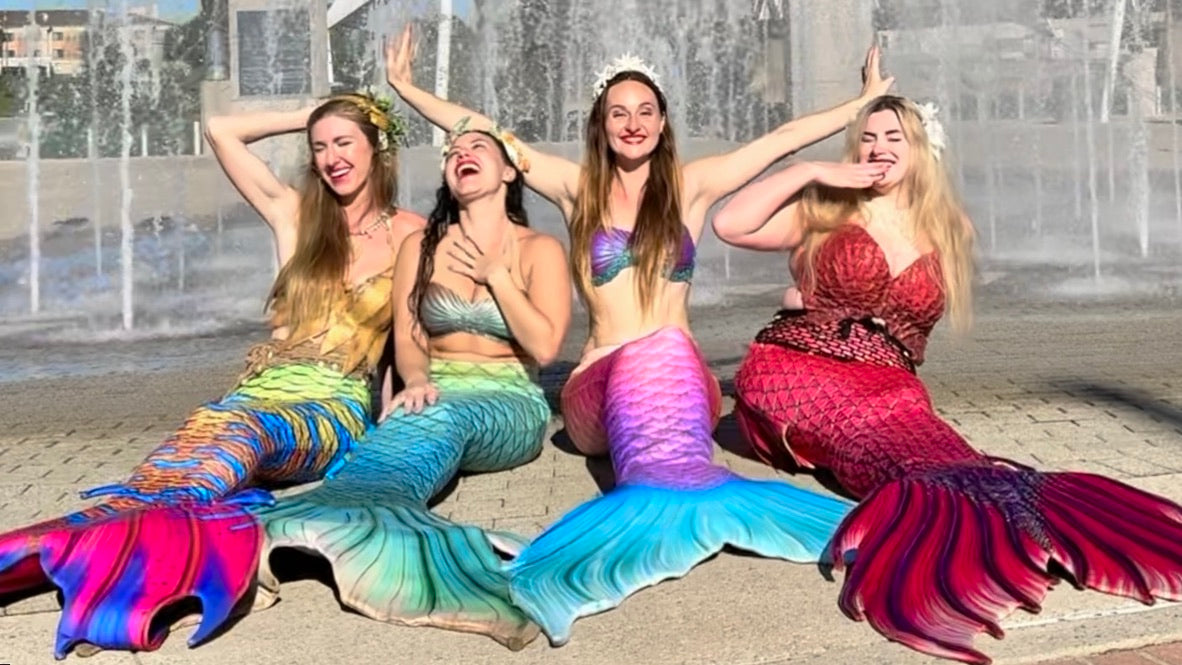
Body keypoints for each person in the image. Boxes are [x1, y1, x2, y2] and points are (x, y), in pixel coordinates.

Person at [384, 26, 892, 643]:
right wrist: (406, 88)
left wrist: (861, 101)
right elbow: (488, 130)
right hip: (597, 391)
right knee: (656, 347)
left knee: (670, 342)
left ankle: (667, 503)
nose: (632, 123)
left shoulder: (691, 185)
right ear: (600, 124)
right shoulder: (578, 190)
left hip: (679, 383)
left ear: (662, 121)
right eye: (618, 113)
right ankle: (681, 508)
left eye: (645, 111)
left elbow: (780, 141)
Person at [718, 95, 1182, 664]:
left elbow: (916, 330)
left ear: (920, 148)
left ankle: (1018, 527)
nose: (879, 149)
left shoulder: (950, 225)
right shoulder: (827, 208)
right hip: (797, 365)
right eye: (869, 137)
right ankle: (954, 551)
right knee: (872, 444)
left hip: (890, 380)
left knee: (953, 458)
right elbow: (729, 223)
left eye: (895, 138)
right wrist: (811, 169)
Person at [0, 91, 425, 658]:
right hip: (257, 392)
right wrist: (321, 113)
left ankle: (131, 576)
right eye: (319, 147)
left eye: (345, 142)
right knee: (206, 431)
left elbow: (411, 333)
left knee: (241, 437)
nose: (330, 156)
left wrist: (413, 388)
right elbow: (222, 128)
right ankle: (90, 543)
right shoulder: (296, 215)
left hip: (331, 408)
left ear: (378, 148)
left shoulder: (413, 233)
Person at [253, 123, 571, 650]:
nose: (462, 154)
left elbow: (544, 346)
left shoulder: (540, 249)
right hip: (436, 392)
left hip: (510, 401)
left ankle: (389, 540)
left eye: (479, 149)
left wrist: (498, 276)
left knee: (440, 417)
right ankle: (331, 512)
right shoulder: (420, 247)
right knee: (406, 419)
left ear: (510, 172)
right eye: (454, 151)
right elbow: (409, 339)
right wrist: (417, 378)